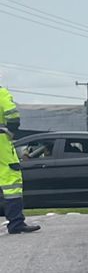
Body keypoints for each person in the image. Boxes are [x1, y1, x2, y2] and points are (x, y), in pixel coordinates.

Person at [0, 72, 40, 235]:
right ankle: (16, 223)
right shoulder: (1, 93)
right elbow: (13, 116)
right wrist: (10, 132)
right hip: (1, 142)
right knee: (11, 181)